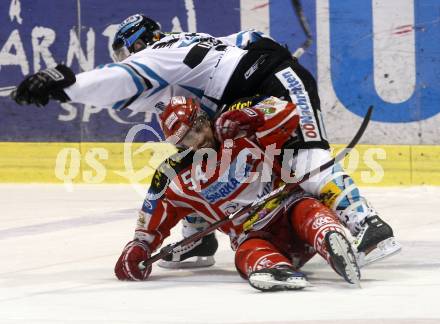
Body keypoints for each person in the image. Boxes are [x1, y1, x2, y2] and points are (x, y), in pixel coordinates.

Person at [10, 13, 400, 269]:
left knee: (304, 159)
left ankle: (368, 225)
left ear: (140, 45)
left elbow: (122, 79)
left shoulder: (161, 54)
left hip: (273, 82)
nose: (128, 59)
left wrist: (68, 86)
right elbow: (254, 37)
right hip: (258, 81)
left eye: (128, 53)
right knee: (202, 163)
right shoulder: (189, 45)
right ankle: (197, 240)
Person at [114, 96, 361, 291]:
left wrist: (250, 114)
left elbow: (287, 111)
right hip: (255, 235)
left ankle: (331, 239)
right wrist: (138, 248)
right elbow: (152, 218)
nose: (198, 140)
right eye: (187, 138)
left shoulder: (236, 124)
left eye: (198, 128)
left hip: (288, 208)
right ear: (178, 144)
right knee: (245, 252)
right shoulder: (172, 174)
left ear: (204, 118)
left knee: (307, 208)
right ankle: (276, 269)